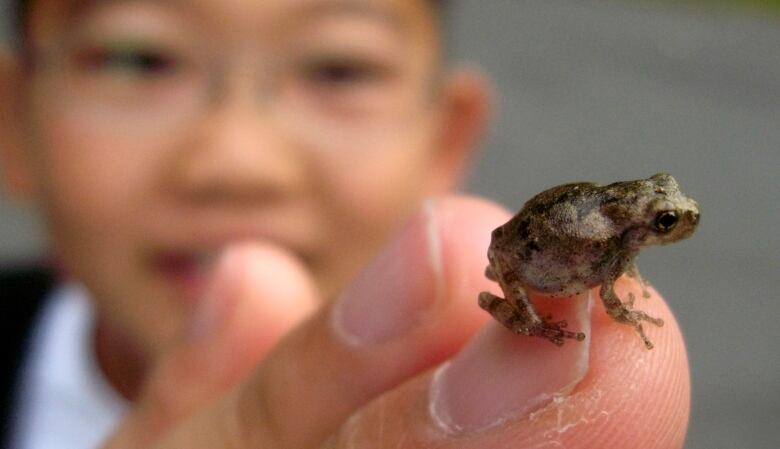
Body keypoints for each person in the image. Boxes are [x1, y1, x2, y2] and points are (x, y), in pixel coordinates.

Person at [0, 0, 691, 448]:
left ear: (448, 138)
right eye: (138, 59)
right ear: (13, 122)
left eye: (339, 69)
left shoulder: (462, 379)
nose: (239, 158)